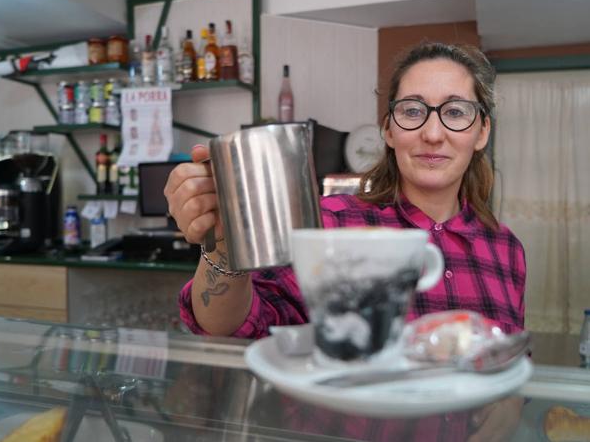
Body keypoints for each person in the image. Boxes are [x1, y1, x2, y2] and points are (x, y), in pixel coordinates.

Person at [164, 42, 526, 442]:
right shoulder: (329, 222)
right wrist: (222, 241)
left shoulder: (506, 249)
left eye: (456, 112)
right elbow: (234, 327)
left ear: (481, 132)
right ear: (388, 129)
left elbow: (506, 352)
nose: (433, 133)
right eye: (412, 110)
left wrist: (512, 397)